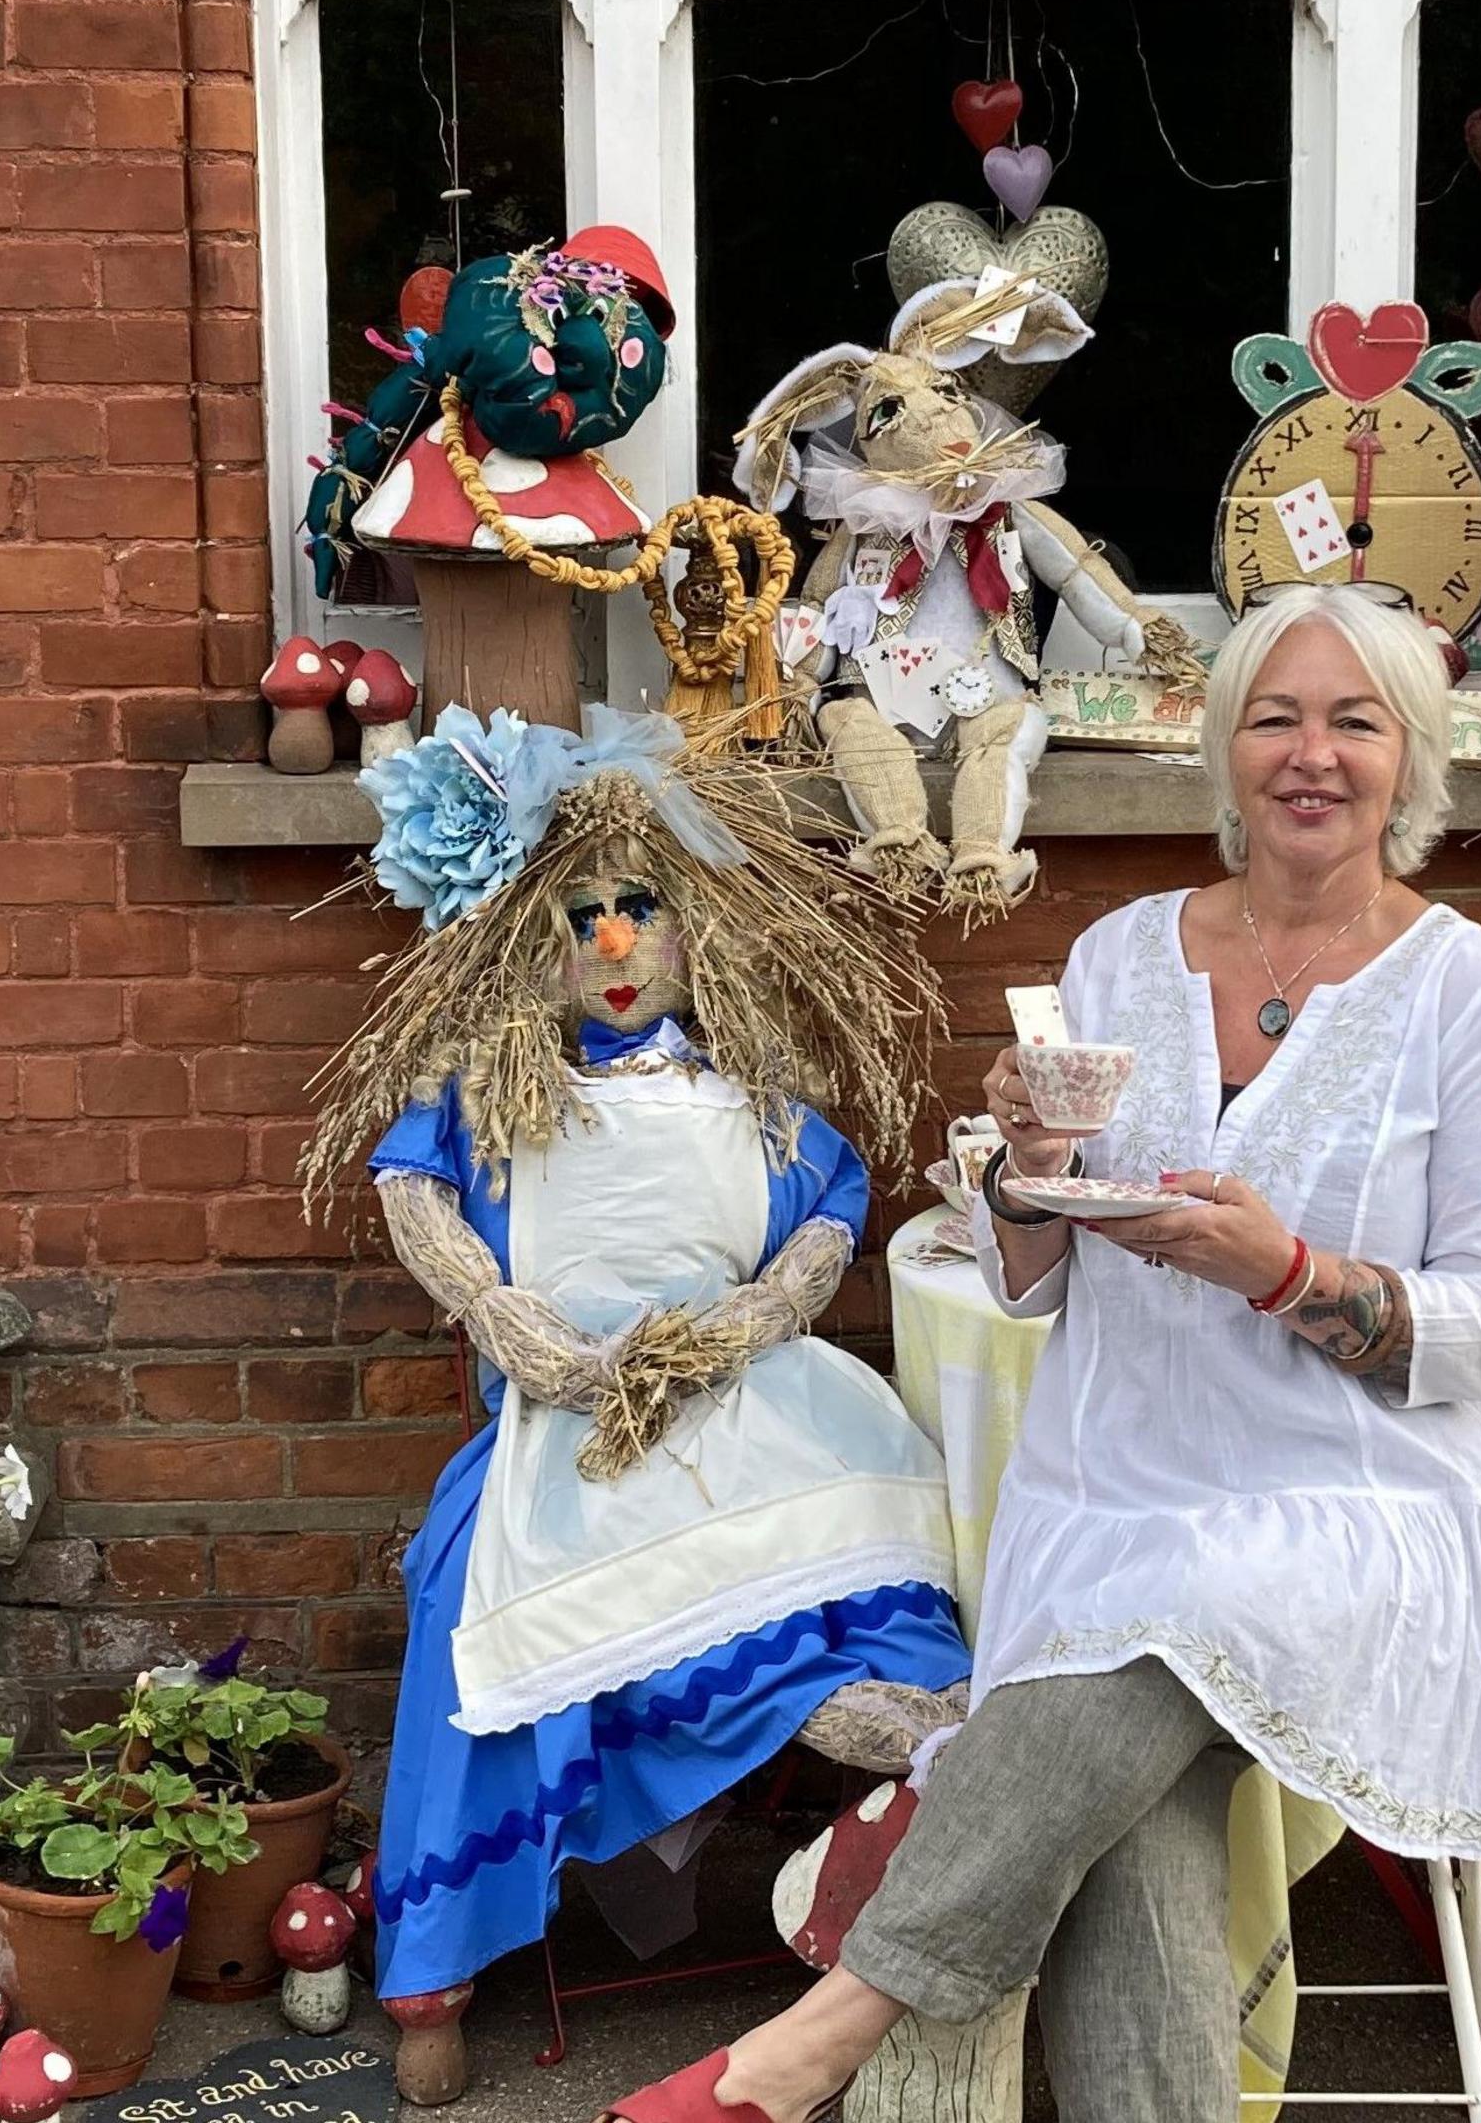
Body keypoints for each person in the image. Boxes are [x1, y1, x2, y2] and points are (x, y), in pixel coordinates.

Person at [605, 584, 1481, 2122]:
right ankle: (832, 2050)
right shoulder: (1123, 956)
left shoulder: (1469, 994)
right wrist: (1021, 1170)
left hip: (1369, 1504)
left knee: (1142, 1639)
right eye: (1275, 717)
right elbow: (1035, 1278)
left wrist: (1285, 1273)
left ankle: (829, 2028)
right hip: (1126, 1480)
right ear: (1224, 751)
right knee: (1132, 1767)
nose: (1311, 754)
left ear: (1412, 756)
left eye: (1354, 719)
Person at [308, 710, 976, 2102]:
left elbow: (820, 1228)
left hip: (757, 1396)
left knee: (859, 1582)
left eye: (640, 915)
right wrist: (500, 1314)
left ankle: (939, 1794)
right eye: (582, 919)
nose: (614, 947)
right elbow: (414, 1195)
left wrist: (759, 1311)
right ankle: (439, 1963)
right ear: (527, 943)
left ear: (691, 935)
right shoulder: (498, 1089)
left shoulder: (754, 1099)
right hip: (571, 1416)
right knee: (480, 1588)